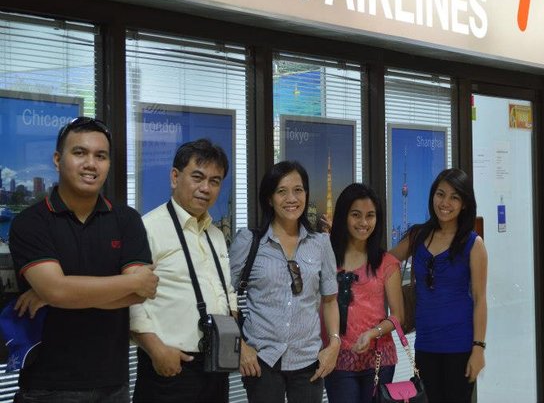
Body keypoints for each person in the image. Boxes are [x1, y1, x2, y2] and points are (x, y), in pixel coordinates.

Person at [8, 116, 158, 403]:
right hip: (47, 386)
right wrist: (57, 293)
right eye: (80, 153)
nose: (91, 163)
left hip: (113, 385)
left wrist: (57, 295)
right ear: (57, 159)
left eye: (100, 156)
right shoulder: (32, 222)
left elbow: (141, 292)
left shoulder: (126, 220)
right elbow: (57, 289)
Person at [130, 138, 237, 403]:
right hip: (170, 365)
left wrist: (231, 321)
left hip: (215, 364)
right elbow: (130, 300)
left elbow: (226, 287)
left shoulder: (215, 233)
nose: (205, 188)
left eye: (215, 181)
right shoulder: (148, 228)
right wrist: (156, 351)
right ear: (175, 177)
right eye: (197, 177)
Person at [229, 161, 340, 403]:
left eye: (298, 190)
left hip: (309, 361)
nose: (292, 198)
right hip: (261, 361)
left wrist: (334, 344)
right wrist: (240, 347)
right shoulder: (249, 241)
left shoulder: (320, 243)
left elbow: (330, 300)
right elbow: (224, 297)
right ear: (269, 198)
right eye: (282, 191)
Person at [390, 168, 488, 403]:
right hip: (425, 344)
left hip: (461, 348)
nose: (445, 203)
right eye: (440, 194)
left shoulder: (473, 245)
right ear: (432, 196)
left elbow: (479, 299)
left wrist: (479, 349)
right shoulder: (417, 236)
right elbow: (387, 263)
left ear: (464, 204)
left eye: (454, 197)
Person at [324, 183, 403, 403]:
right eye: (356, 215)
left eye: (370, 216)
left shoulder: (387, 263)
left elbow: (397, 316)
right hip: (337, 358)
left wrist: (373, 333)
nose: (364, 223)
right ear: (343, 217)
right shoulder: (327, 259)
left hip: (379, 359)